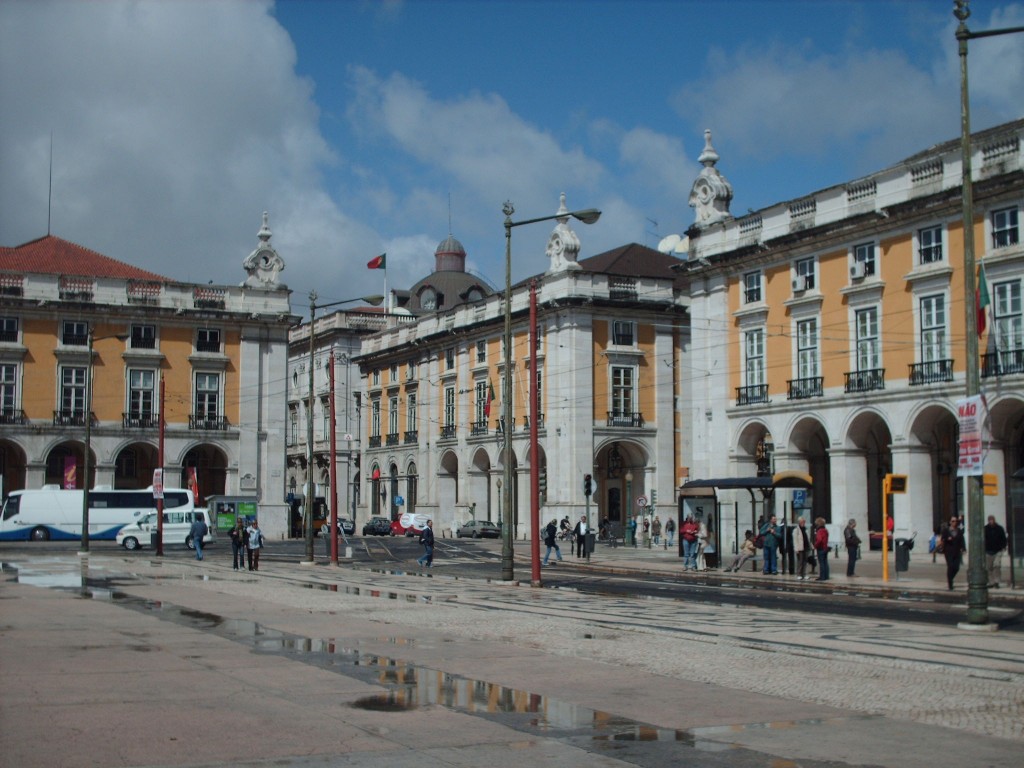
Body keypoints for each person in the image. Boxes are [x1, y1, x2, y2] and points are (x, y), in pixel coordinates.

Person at [941, 515, 966, 590]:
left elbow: (962, 540)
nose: (954, 522)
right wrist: (947, 539)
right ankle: (950, 583)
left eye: (956, 521)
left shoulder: (959, 531)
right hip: (948, 552)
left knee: (956, 567)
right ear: (950, 522)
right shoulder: (946, 531)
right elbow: (943, 539)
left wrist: (963, 548)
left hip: (957, 551)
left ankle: (950, 578)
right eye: (953, 521)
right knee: (951, 566)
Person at [984, 515, 1008, 588]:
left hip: (997, 550)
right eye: (990, 520)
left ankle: (997, 581)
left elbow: (1004, 538)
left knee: (997, 566)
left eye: (992, 520)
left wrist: (1003, 546)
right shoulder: (985, 529)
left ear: (994, 520)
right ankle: (991, 582)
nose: (991, 521)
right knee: (989, 568)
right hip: (988, 551)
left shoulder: (999, 528)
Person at [813, 517, 830, 581]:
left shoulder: (819, 531)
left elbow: (819, 539)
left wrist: (815, 545)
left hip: (820, 548)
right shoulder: (825, 530)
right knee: (825, 562)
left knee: (821, 563)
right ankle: (826, 576)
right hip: (825, 548)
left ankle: (822, 577)